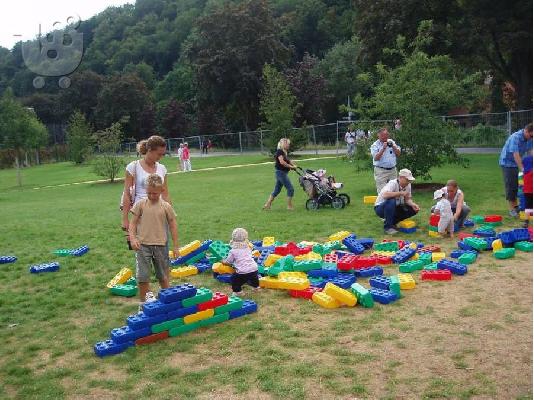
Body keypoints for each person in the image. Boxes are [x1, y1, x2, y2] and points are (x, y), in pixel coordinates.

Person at [128, 174, 179, 307]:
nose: (151, 196)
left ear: (162, 190)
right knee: (143, 276)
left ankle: (168, 303)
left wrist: (176, 246)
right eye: (149, 192)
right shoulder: (140, 205)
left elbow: (173, 225)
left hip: (161, 246)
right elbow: (132, 223)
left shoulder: (166, 206)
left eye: (155, 193)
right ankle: (143, 304)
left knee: (163, 276)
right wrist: (133, 239)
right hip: (142, 246)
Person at [122, 135, 172, 234]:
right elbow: (127, 194)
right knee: (143, 246)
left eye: (163, 154)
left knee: (161, 244)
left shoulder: (162, 168)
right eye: (159, 154)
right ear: (149, 150)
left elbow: (165, 193)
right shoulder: (133, 167)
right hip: (141, 214)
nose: (161, 157)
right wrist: (125, 219)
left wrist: (170, 215)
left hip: (160, 213)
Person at [498, 123, 533, 217]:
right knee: (511, 185)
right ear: (526, 130)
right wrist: (522, 169)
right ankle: (511, 209)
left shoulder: (529, 139)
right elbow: (516, 154)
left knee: (518, 186)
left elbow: (530, 153)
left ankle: (517, 206)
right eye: (531, 135)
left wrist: (531, 166)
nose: (531, 138)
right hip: (507, 162)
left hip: (516, 162)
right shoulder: (515, 137)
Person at [374, 168, 420, 235]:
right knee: (391, 201)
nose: (408, 182)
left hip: (396, 206)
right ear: (400, 177)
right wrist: (400, 193)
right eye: (407, 180)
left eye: (410, 180)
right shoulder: (393, 183)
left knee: (412, 209)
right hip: (380, 208)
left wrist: (413, 204)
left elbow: (407, 199)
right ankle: (388, 227)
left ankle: (392, 223)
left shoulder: (408, 185)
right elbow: (385, 195)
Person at [221, 228, 260, 296]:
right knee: (254, 278)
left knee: (234, 279)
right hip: (254, 268)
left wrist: (223, 261)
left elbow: (228, 262)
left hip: (242, 271)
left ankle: (238, 291)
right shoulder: (248, 247)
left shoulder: (233, 251)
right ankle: (256, 287)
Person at [263, 138, 297, 210]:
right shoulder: (279, 151)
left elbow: (287, 161)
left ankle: (267, 204)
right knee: (290, 189)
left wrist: (293, 165)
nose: (289, 145)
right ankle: (289, 206)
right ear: (283, 144)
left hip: (282, 173)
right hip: (281, 173)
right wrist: (291, 166)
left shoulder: (284, 152)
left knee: (277, 190)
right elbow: (282, 162)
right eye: (287, 144)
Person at [370, 127, 401, 194]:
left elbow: (398, 154)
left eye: (386, 135)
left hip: (393, 170)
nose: (385, 137)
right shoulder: (375, 145)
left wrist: (393, 147)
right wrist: (383, 149)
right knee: (382, 191)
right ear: (379, 135)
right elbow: (376, 158)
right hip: (381, 171)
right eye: (383, 136)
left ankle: (393, 204)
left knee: (395, 189)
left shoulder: (391, 141)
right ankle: (381, 204)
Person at [522, 154, 533, 227]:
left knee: (528, 206)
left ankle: (526, 221)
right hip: (530, 191)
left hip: (527, 191)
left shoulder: (525, 174)